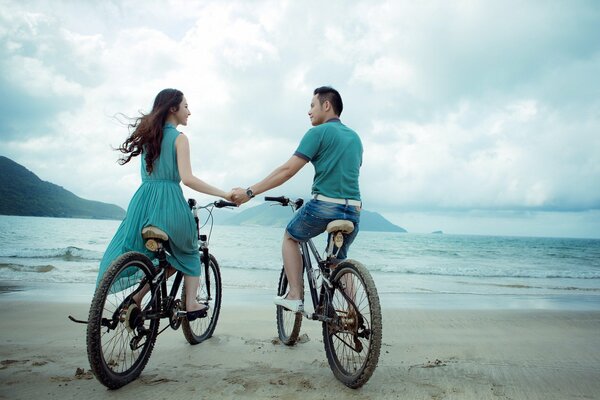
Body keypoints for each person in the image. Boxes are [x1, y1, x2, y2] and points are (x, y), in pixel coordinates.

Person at [97, 88, 232, 320]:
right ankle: (190, 302)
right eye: (186, 106)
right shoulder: (180, 139)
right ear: (173, 108)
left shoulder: (150, 137)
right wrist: (224, 193)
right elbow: (188, 179)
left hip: (142, 204)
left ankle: (137, 298)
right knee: (189, 250)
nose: (189, 111)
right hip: (169, 202)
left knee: (161, 258)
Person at [232, 86, 362, 312]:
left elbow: (287, 171)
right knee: (338, 262)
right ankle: (354, 312)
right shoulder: (355, 138)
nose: (309, 111)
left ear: (327, 105)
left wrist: (249, 192)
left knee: (291, 237)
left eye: (312, 105)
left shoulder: (317, 133)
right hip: (353, 210)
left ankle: (294, 295)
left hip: (324, 207)